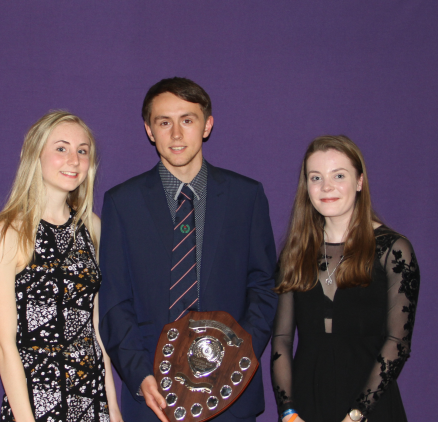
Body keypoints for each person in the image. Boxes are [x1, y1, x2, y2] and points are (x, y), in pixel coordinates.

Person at [98, 77, 277, 422]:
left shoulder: (246, 197)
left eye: (188, 120)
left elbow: (264, 287)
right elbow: (115, 302)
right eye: (164, 122)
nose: (176, 134)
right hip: (154, 397)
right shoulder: (122, 203)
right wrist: (139, 374)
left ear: (207, 125)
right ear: (150, 130)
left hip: (230, 397)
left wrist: (236, 359)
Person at [0, 111, 122, 422]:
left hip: (91, 400)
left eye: (82, 151)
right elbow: (5, 344)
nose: (74, 160)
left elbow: (97, 330)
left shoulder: (93, 229)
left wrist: (112, 409)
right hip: (35, 405)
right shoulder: (9, 233)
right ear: (35, 155)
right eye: (61, 148)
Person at [270, 136, 419, 422]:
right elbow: (281, 339)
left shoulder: (393, 250)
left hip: (371, 408)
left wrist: (356, 415)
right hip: (304, 408)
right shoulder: (295, 252)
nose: (326, 187)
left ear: (360, 181)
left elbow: (397, 342)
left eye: (339, 175)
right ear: (307, 187)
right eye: (316, 177)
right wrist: (288, 412)